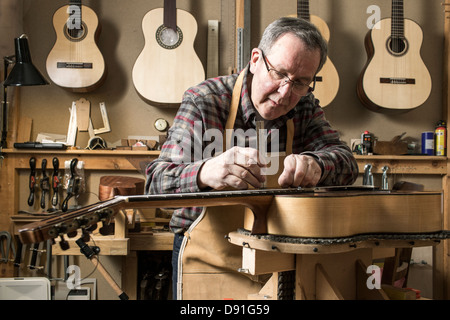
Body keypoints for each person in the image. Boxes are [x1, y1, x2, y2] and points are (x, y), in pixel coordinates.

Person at [145, 17, 358, 299]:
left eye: (300, 82)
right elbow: (156, 183)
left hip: (279, 259)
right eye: (279, 74)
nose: (284, 94)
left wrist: (317, 165)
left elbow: (347, 163)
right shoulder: (205, 101)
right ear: (256, 59)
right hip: (208, 260)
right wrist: (205, 173)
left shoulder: (304, 106)